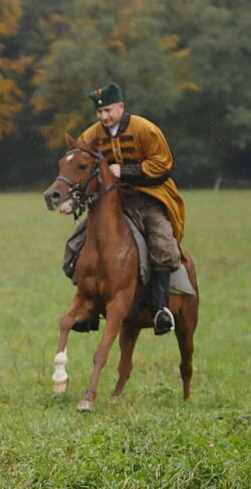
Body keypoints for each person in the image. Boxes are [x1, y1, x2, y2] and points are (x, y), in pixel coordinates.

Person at [79, 82, 186, 335]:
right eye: (100, 112)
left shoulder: (145, 129)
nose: (104, 117)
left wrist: (124, 171)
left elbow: (163, 164)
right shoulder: (90, 136)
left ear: (121, 107)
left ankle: (161, 310)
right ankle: (88, 309)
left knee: (163, 244)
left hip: (148, 198)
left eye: (108, 111)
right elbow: (80, 167)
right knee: (77, 245)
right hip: (111, 204)